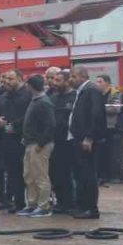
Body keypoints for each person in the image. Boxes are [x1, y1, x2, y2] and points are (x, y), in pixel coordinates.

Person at [67, 64, 107, 219]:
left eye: (73, 76)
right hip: (78, 139)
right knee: (81, 174)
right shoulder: (82, 91)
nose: (71, 79)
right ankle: (83, 206)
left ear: (83, 76)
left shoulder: (91, 90)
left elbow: (96, 115)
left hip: (86, 141)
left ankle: (91, 209)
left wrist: (89, 137)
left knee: (88, 174)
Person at [18, 74, 55, 217]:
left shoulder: (44, 102)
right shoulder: (36, 100)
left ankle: (44, 206)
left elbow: (50, 125)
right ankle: (32, 204)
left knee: (40, 176)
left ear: (30, 86)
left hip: (39, 145)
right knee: (29, 175)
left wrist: (41, 143)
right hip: (30, 143)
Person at [0, 70, 32, 213]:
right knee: (12, 172)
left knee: (27, 173)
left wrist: (13, 125)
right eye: (6, 79)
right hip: (7, 140)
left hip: (23, 139)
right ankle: (17, 202)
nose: (7, 82)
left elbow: (29, 116)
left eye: (11, 79)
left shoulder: (27, 95)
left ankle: (32, 203)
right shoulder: (3, 97)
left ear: (20, 79)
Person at [48, 69, 77, 213]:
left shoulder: (75, 96)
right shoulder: (53, 97)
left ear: (67, 81)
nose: (54, 83)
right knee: (56, 173)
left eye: (58, 81)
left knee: (70, 174)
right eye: (54, 80)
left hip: (69, 142)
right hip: (55, 142)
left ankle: (73, 203)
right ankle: (61, 202)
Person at [96, 76, 123, 184]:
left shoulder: (115, 93)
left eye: (100, 81)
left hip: (113, 127)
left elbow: (115, 108)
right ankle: (103, 175)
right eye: (97, 81)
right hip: (102, 128)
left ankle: (115, 176)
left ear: (107, 83)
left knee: (114, 153)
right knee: (103, 153)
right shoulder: (98, 95)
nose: (97, 84)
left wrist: (99, 108)